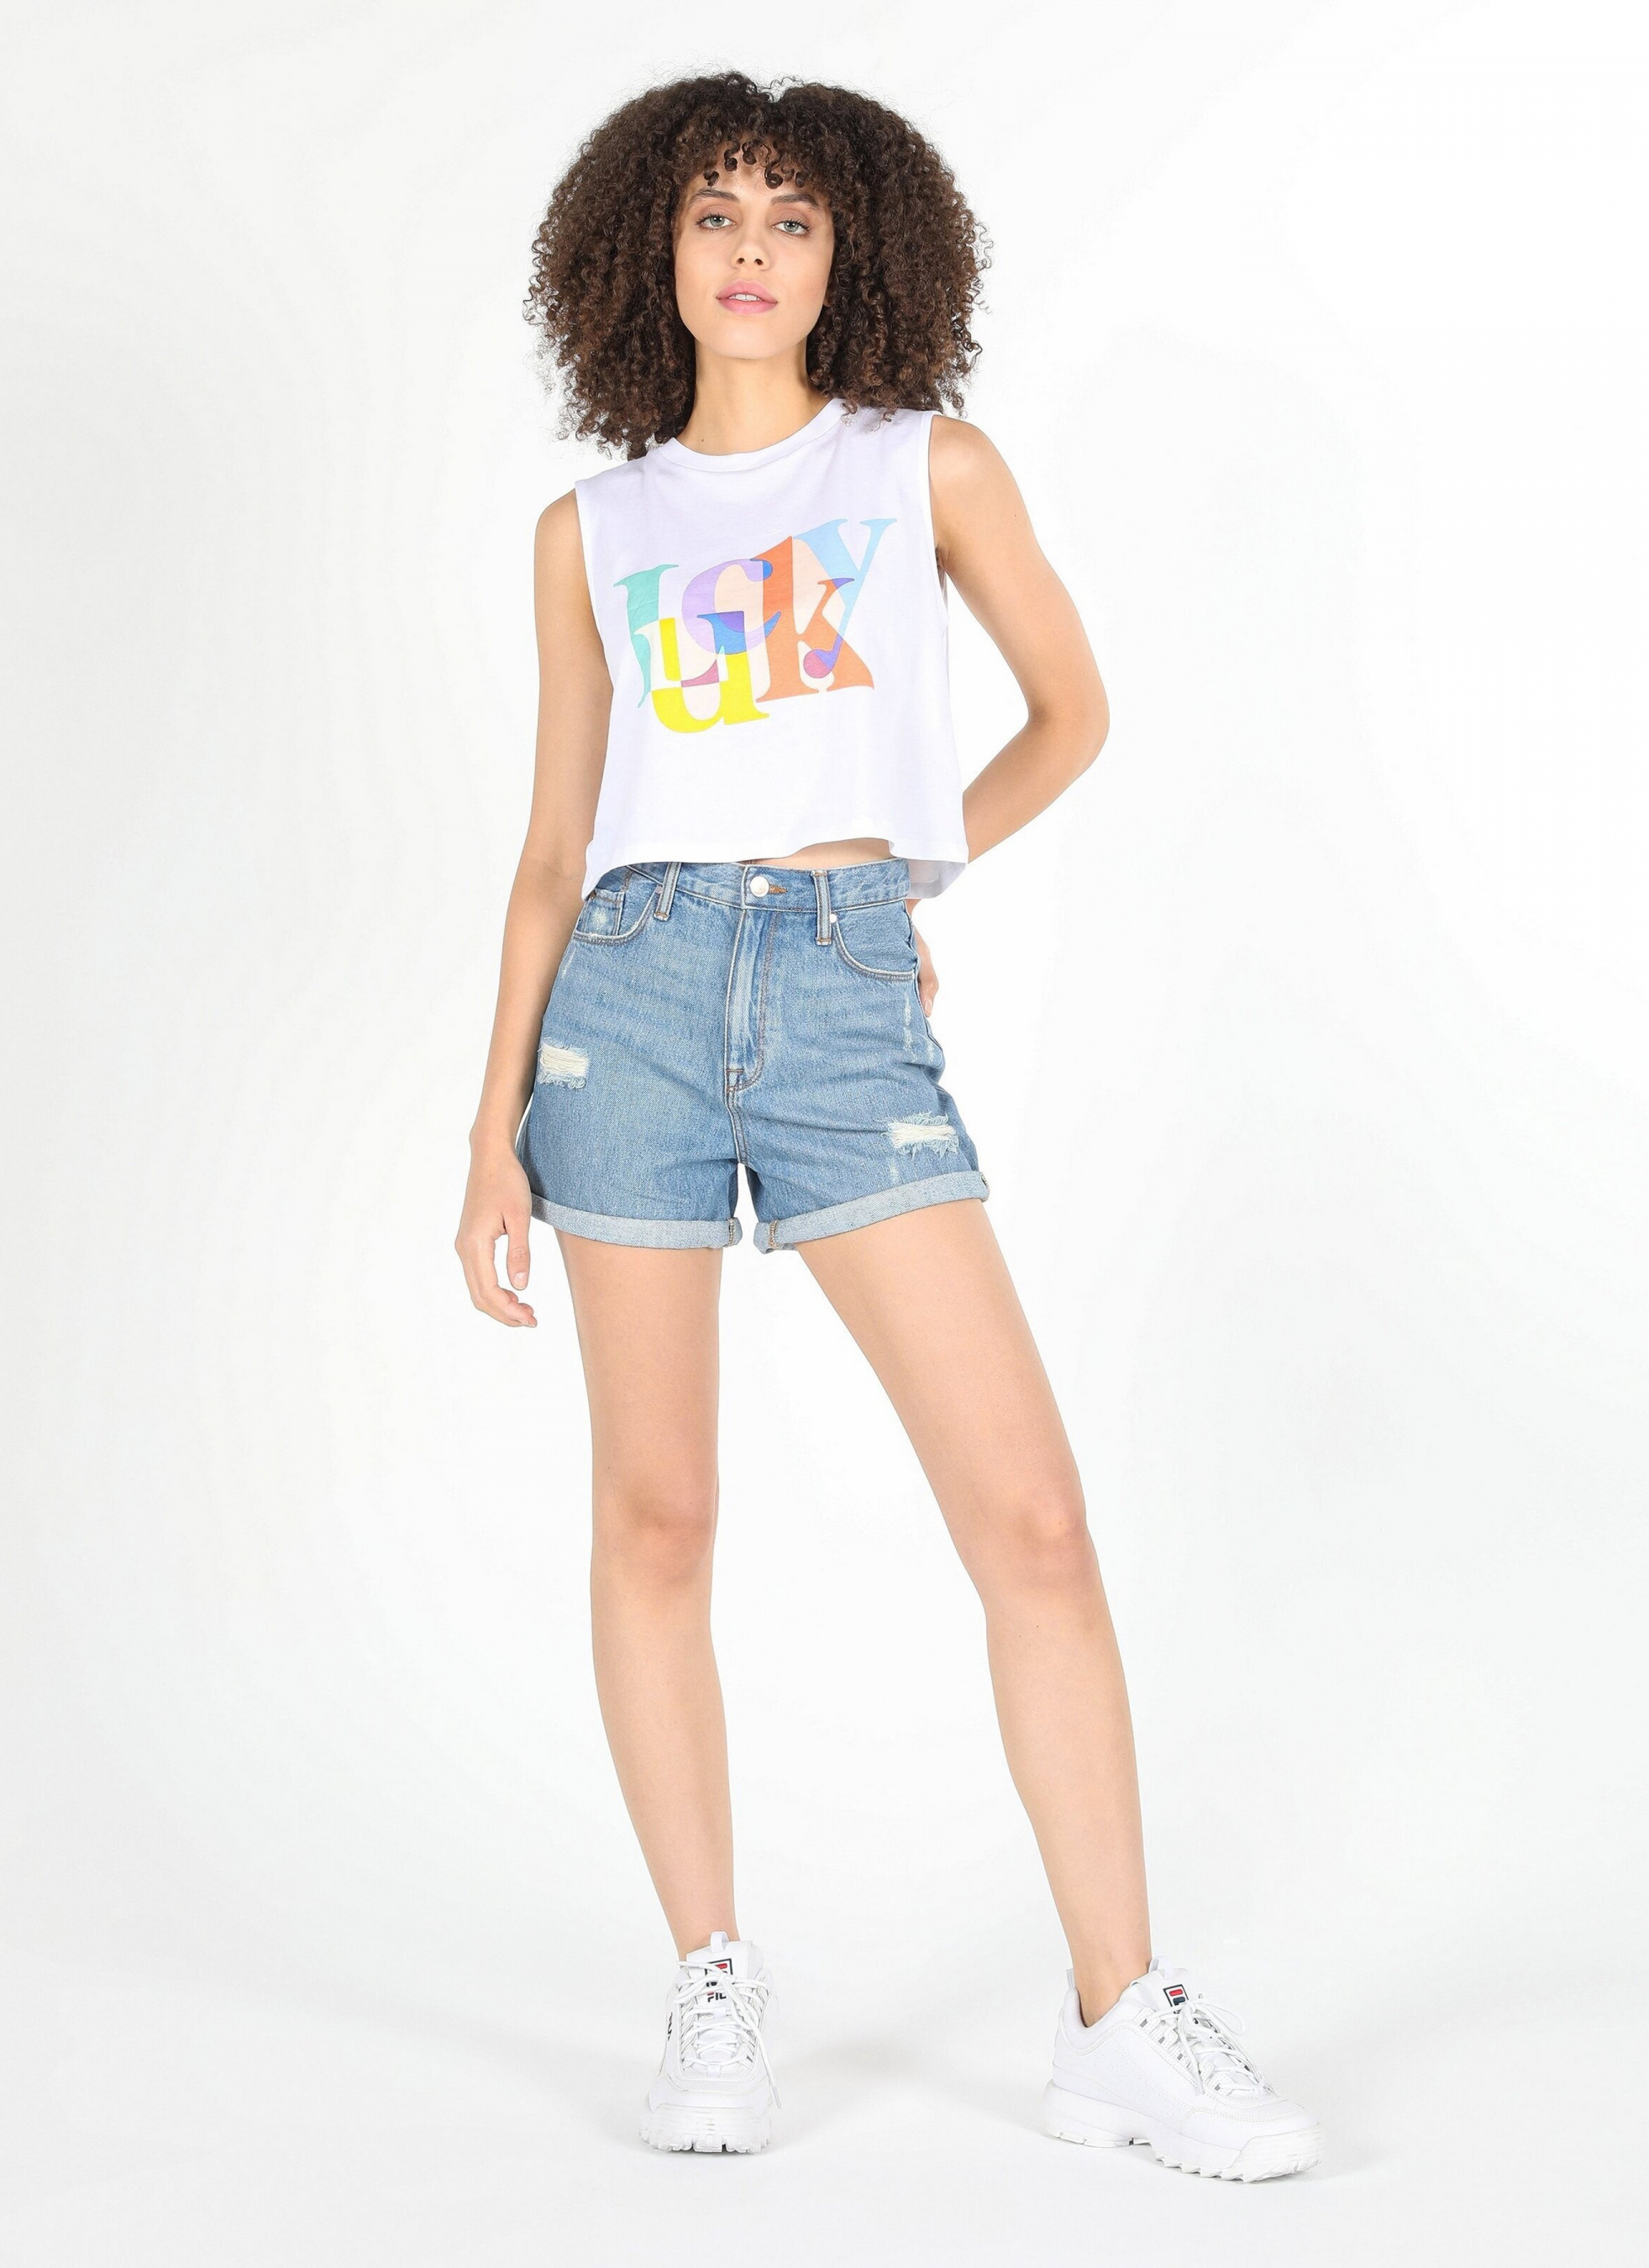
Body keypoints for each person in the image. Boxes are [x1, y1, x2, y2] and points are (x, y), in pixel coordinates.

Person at [457, 71, 1320, 2181]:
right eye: (711, 214)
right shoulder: (593, 532)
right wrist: (488, 1133)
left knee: (1028, 1518)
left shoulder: (921, 465)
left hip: (843, 998)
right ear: (648, 255)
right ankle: (710, 1979)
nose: (749, 249)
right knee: (656, 1517)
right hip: (626, 1004)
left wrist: (894, 887)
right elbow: (556, 848)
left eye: (790, 218)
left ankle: (1117, 2016)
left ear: (852, 253)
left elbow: (1069, 717)